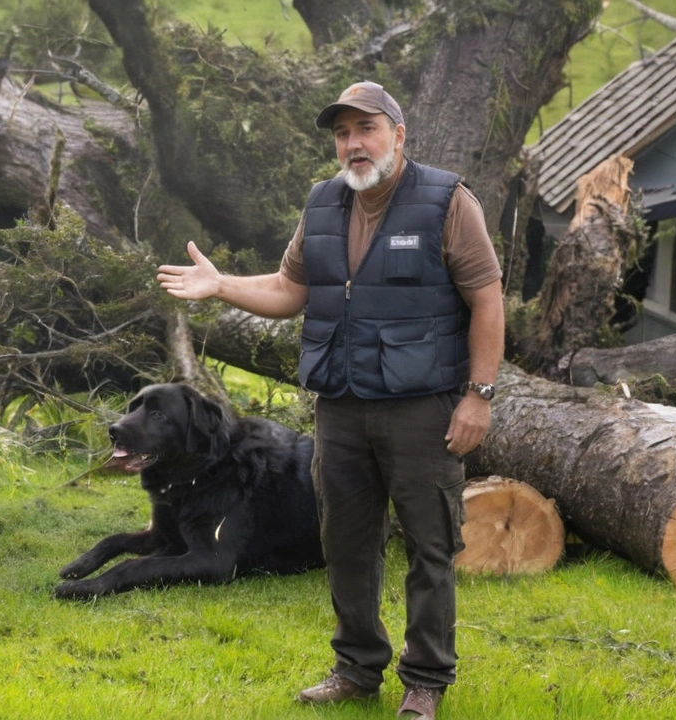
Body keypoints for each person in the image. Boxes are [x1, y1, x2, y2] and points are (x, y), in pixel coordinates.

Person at [156, 80, 505, 720]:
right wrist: (221, 285)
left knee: (430, 547)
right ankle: (356, 668)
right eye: (342, 134)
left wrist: (478, 396)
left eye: (365, 129)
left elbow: (486, 296)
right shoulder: (322, 204)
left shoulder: (447, 201)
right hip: (339, 408)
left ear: (398, 135)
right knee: (345, 542)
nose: (353, 144)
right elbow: (291, 289)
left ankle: (424, 681)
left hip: (423, 409)